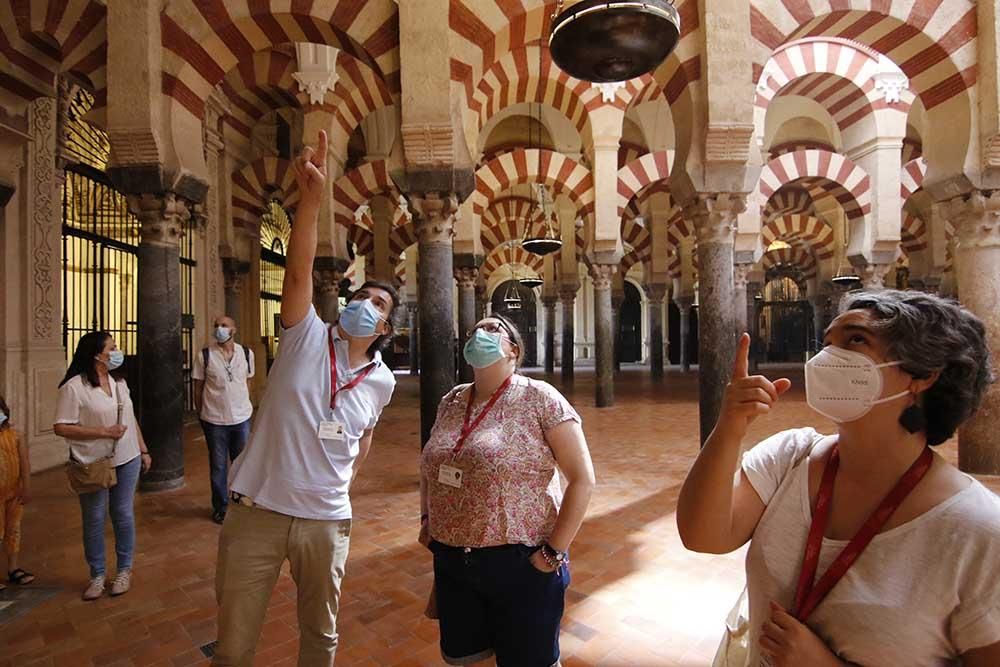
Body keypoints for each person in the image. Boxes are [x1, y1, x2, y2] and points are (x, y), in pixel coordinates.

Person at [677, 290, 1000, 666]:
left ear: (923, 375)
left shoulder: (978, 533)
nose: (827, 357)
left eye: (856, 340)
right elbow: (704, 535)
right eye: (828, 341)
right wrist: (730, 426)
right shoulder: (790, 457)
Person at [213, 130, 398, 667]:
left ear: (385, 327)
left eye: (376, 303)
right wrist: (312, 198)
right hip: (258, 512)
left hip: (325, 520)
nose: (362, 302)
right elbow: (297, 270)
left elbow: (363, 438)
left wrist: (341, 482)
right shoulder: (306, 334)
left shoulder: (381, 381)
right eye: (358, 294)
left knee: (320, 639)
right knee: (233, 643)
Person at [420, 313, 596, 667]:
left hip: (519, 561)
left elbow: (583, 479)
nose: (478, 335)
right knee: (466, 658)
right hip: (454, 561)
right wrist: (427, 518)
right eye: (474, 330)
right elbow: (431, 463)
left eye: (491, 330)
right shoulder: (452, 400)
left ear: (513, 350)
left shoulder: (540, 398)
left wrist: (552, 553)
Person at [54, 332, 152, 601]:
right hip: (93, 462)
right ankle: (97, 574)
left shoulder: (119, 382)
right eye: (113, 347)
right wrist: (103, 432)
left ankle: (123, 570)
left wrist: (142, 449)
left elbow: (130, 419)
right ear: (97, 354)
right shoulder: (74, 387)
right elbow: (61, 426)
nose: (117, 351)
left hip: (127, 457)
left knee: (123, 515)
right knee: (95, 519)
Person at [193, 314, 255, 524]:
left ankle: (241, 502)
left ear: (233, 330)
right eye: (216, 325)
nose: (219, 329)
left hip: (241, 418)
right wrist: (202, 413)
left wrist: (245, 407)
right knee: (218, 466)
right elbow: (198, 387)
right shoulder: (205, 356)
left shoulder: (246, 353)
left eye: (224, 325)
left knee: (241, 463)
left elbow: (247, 382)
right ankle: (221, 507)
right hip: (214, 419)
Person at [0, 395, 33, 591]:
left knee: (13, 530)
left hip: (14, 491)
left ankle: (13, 568)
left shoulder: (16, 435)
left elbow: (24, 463)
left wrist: (27, 486)